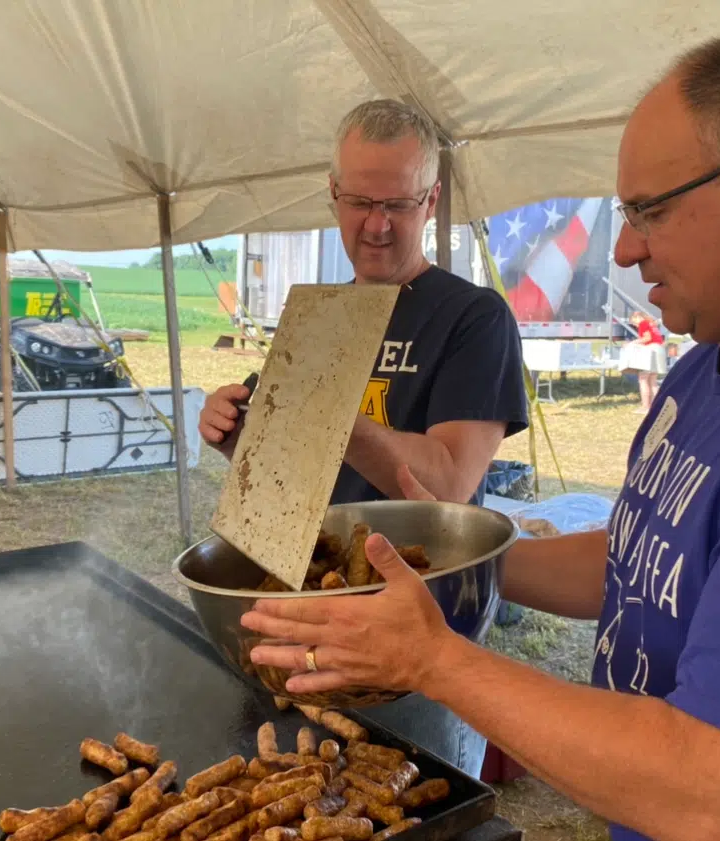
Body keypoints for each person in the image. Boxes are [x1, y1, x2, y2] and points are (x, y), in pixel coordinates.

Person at [241, 27, 720, 841]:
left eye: (651, 209)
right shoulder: (706, 367)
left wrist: (435, 657)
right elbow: (645, 558)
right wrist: (457, 566)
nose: (624, 245)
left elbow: (718, 798)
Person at [199, 99, 529, 778]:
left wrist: (334, 418)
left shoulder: (473, 318)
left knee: (412, 799)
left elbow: (447, 485)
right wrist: (244, 441)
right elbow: (287, 484)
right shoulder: (319, 319)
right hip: (301, 625)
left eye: (400, 205)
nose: (377, 225)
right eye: (359, 201)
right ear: (333, 195)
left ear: (431, 200)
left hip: (411, 640)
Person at [627, 310, 667, 412]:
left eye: (633, 322)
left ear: (637, 317)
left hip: (650, 351)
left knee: (643, 379)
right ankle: (657, 406)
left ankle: (645, 406)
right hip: (659, 350)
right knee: (653, 381)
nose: (635, 326)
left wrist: (632, 343)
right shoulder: (652, 324)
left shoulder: (643, 324)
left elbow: (647, 338)